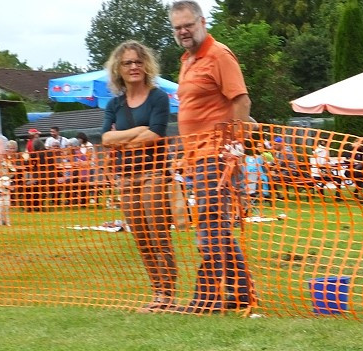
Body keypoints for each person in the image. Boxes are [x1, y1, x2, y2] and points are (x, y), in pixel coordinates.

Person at [168, 0, 255, 313]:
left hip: (216, 156)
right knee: (214, 226)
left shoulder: (218, 54)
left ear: (202, 22)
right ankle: (242, 293)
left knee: (210, 227)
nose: (183, 32)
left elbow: (241, 101)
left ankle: (207, 298)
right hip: (196, 158)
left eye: (188, 25)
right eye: (178, 28)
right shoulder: (187, 60)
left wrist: (235, 147)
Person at [102, 39, 178, 311]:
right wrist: (137, 132)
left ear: (146, 65)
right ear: (118, 69)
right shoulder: (114, 104)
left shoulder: (158, 96)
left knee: (159, 235)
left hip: (154, 173)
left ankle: (169, 295)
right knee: (141, 237)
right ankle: (157, 293)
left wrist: (124, 139)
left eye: (138, 61)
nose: (134, 66)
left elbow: (156, 133)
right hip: (126, 177)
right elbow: (106, 138)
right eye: (127, 63)